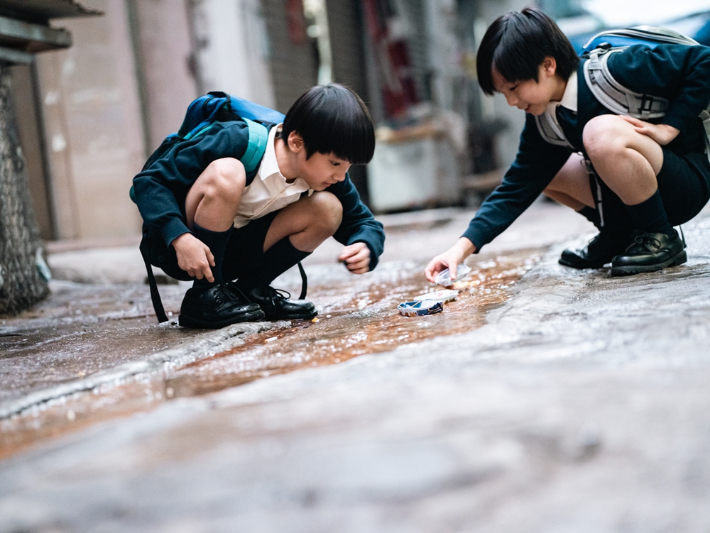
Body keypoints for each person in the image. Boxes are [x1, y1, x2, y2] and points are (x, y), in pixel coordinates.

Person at [425, 7, 710, 283]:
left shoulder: (615, 70)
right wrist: (459, 251)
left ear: (548, 65)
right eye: (503, 94)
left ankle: (660, 237)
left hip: (685, 184)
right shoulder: (544, 120)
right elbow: (515, 188)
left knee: (600, 133)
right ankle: (619, 234)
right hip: (637, 194)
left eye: (514, 88)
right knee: (546, 175)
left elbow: (703, 60)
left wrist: (669, 127)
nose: (512, 102)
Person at [132, 84, 384, 328]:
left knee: (328, 207)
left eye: (348, 166)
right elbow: (149, 182)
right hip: (187, 252)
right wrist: (179, 237)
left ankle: (249, 291)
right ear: (296, 142)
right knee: (228, 172)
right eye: (335, 163)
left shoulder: (326, 177)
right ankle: (205, 297)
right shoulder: (236, 139)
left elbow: (363, 222)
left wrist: (366, 245)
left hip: (237, 252)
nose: (341, 176)